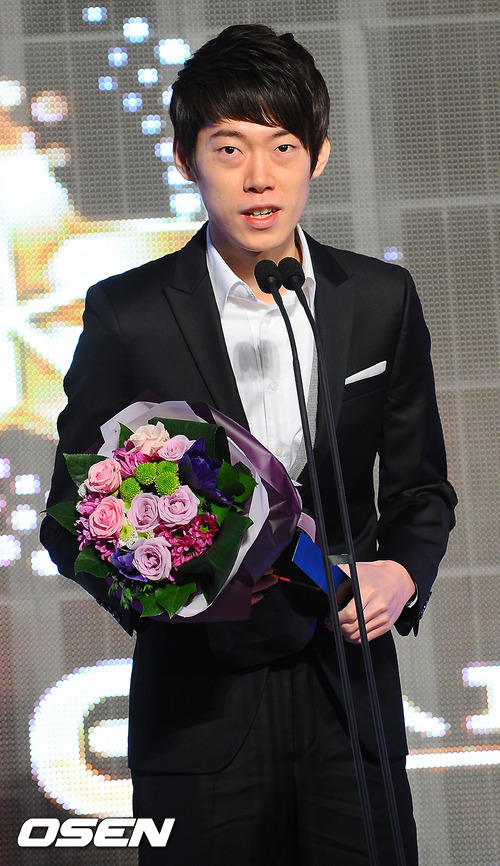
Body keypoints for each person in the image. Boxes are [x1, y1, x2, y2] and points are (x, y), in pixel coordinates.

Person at [40, 23, 457, 865]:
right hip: (199, 715)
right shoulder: (129, 312)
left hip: (350, 701)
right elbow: (67, 517)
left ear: (319, 156)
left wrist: (401, 573)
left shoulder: (380, 298)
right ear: (186, 159)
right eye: (229, 148)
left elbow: (421, 491)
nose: (258, 176)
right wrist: (170, 595)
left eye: (283, 146)